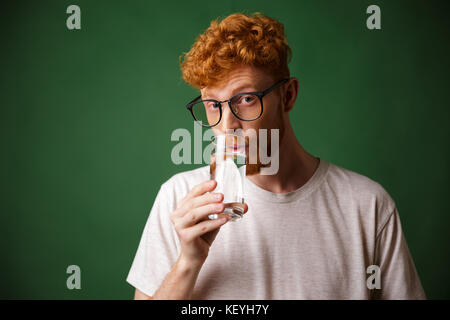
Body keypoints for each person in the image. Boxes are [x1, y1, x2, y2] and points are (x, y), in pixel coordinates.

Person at [126, 12, 426, 299]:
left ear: (288, 95)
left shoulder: (367, 205)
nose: (228, 124)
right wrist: (189, 262)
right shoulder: (179, 199)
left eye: (245, 99)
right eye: (213, 105)